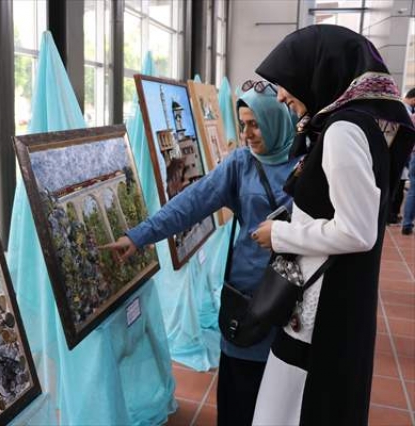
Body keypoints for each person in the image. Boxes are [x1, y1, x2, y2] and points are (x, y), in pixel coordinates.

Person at [102, 86, 298, 426]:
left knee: (282, 396)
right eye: (242, 124)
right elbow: (191, 203)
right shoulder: (241, 164)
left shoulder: (307, 164)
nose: (247, 134)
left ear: (276, 120)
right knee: (239, 395)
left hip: (293, 296)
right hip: (248, 296)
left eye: (255, 124)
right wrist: (139, 236)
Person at [250, 25, 415, 425]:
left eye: (287, 82)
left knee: (292, 408)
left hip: (319, 306)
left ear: (317, 72)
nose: (281, 94)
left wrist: (280, 234)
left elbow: (358, 231)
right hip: (327, 297)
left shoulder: (343, 131)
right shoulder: (356, 126)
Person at [389, 89, 415, 223]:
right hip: (401, 156)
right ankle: (392, 215)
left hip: (398, 156)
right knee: (398, 187)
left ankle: (394, 216)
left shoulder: (399, 109)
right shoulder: (404, 111)